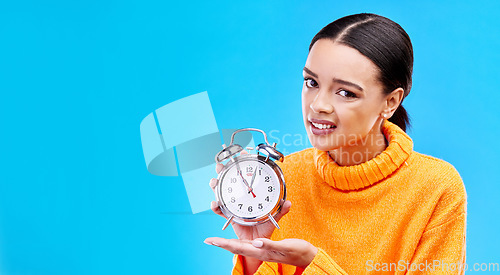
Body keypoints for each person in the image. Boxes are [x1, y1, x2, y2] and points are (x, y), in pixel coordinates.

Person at [204, 13, 467, 274]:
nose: (318, 105)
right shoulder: (278, 181)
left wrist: (313, 265)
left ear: (390, 102)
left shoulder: (436, 189)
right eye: (311, 82)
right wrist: (254, 254)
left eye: (345, 92)